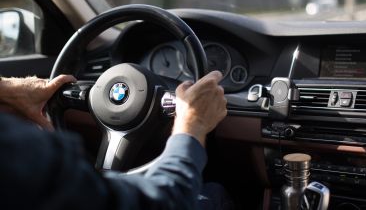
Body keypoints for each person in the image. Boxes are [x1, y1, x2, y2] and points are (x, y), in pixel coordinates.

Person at [0, 71, 228, 210]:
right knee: (212, 194)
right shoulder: (16, 154)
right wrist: (192, 121)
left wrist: (8, 90)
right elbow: (161, 203)